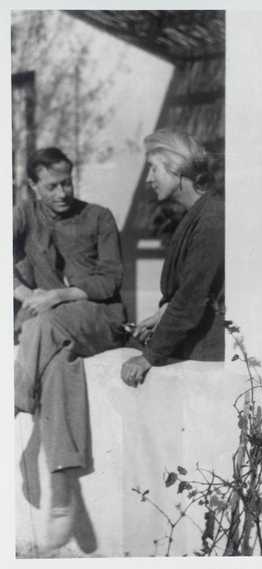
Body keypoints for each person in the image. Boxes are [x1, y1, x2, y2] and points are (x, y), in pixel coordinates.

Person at [14, 147, 126, 550]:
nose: (62, 192)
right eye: (51, 186)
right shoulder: (26, 214)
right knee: (59, 363)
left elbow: (111, 282)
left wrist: (56, 297)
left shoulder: (99, 216)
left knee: (41, 325)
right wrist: (25, 293)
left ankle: (17, 396)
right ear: (33, 186)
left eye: (67, 182)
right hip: (53, 333)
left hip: (101, 319)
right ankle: (62, 492)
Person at [121, 129, 225, 387]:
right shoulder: (198, 215)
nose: (148, 178)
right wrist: (161, 316)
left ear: (177, 171)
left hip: (208, 347)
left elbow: (192, 298)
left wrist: (149, 357)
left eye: (154, 169)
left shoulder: (212, 219)